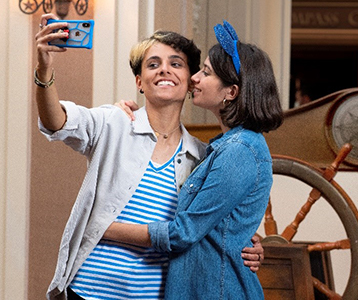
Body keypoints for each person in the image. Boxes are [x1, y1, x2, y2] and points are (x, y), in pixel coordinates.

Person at [34, 14, 264, 300]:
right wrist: (44, 72)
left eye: (175, 64)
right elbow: (57, 121)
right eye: (153, 64)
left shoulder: (203, 157)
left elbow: (206, 226)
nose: (164, 70)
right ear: (140, 82)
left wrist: (249, 243)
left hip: (155, 295)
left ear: (191, 81)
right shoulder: (113, 123)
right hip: (88, 292)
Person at [102, 20, 283, 299]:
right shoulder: (225, 146)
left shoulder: (240, 150)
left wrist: (104, 228)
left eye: (206, 73)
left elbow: (182, 233)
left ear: (231, 92)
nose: (194, 78)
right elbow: (221, 222)